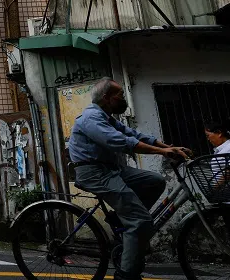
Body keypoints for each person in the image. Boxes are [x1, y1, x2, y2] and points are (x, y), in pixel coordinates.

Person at [69, 78, 191, 280]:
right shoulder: (91, 118)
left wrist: (168, 146)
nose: (123, 98)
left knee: (155, 181)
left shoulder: (107, 117)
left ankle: (121, 219)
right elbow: (121, 142)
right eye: (120, 95)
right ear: (107, 98)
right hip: (95, 173)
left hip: (113, 169)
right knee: (140, 221)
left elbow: (133, 134)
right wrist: (163, 152)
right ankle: (125, 275)